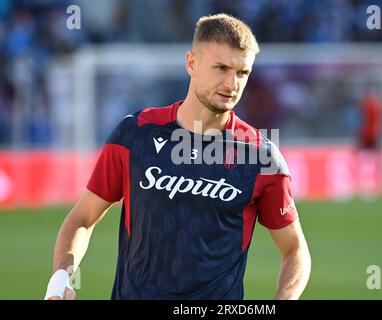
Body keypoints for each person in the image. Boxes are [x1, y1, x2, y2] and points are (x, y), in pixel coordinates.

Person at [44, 13, 311, 300]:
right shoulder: (135, 134)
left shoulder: (261, 157)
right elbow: (83, 218)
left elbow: (295, 248)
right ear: (191, 64)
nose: (232, 84)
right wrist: (60, 281)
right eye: (221, 68)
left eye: (242, 73)